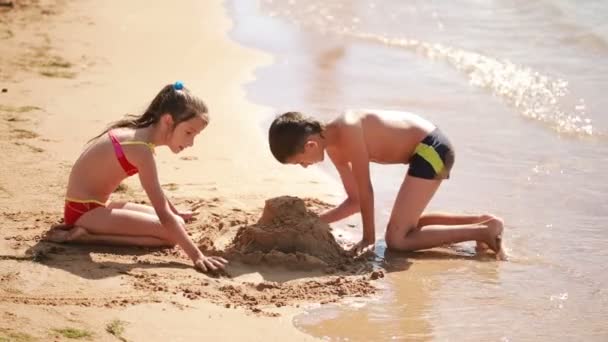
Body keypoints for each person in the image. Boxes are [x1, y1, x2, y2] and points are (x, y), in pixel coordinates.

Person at [268, 109, 506, 260]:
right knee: (408, 228)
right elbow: (356, 201)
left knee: (397, 240)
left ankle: (483, 232)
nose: (305, 167)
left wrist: (368, 238)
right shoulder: (333, 149)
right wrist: (314, 222)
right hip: (424, 152)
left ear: (310, 145)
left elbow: (366, 189)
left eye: (300, 162)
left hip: (433, 148)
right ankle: (484, 221)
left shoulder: (349, 128)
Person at [45, 82, 228, 272]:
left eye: (195, 135)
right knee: (171, 235)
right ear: (168, 121)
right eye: (188, 132)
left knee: (177, 222)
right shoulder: (140, 149)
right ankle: (86, 237)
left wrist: (176, 212)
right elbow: (163, 215)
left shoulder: (137, 136)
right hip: (83, 214)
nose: (190, 143)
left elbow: (155, 189)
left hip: (93, 207)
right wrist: (197, 256)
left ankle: (88, 230)